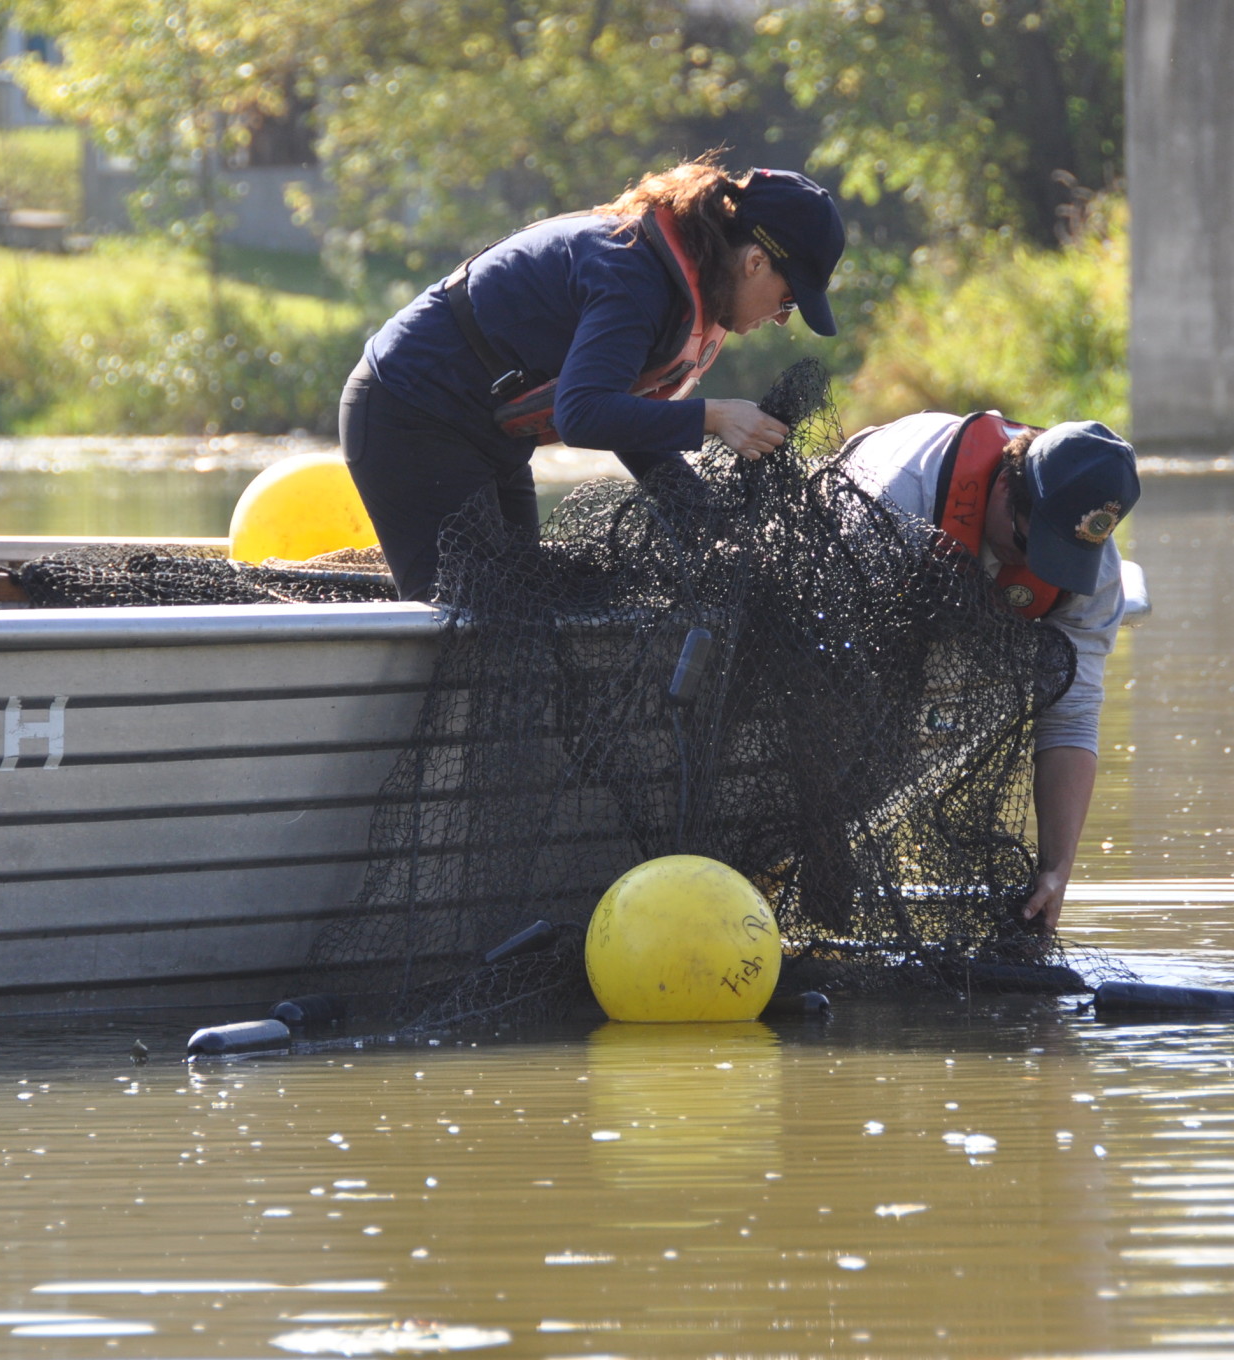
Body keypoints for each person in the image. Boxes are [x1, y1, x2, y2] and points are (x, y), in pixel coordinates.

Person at [340, 158, 847, 600]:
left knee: (520, 602)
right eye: (789, 300)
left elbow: (631, 427)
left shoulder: (691, 285)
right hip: (410, 411)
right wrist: (712, 416)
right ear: (756, 262)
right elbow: (582, 415)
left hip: (486, 433)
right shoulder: (635, 276)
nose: (783, 319)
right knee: (471, 619)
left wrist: (715, 532)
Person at [839, 412, 1140, 932]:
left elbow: (1072, 716)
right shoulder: (896, 499)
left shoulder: (1094, 569)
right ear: (1004, 486)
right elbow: (824, 677)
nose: (1041, 569)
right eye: (1033, 548)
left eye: (1062, 558)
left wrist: (1056, 871)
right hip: (854, 597)